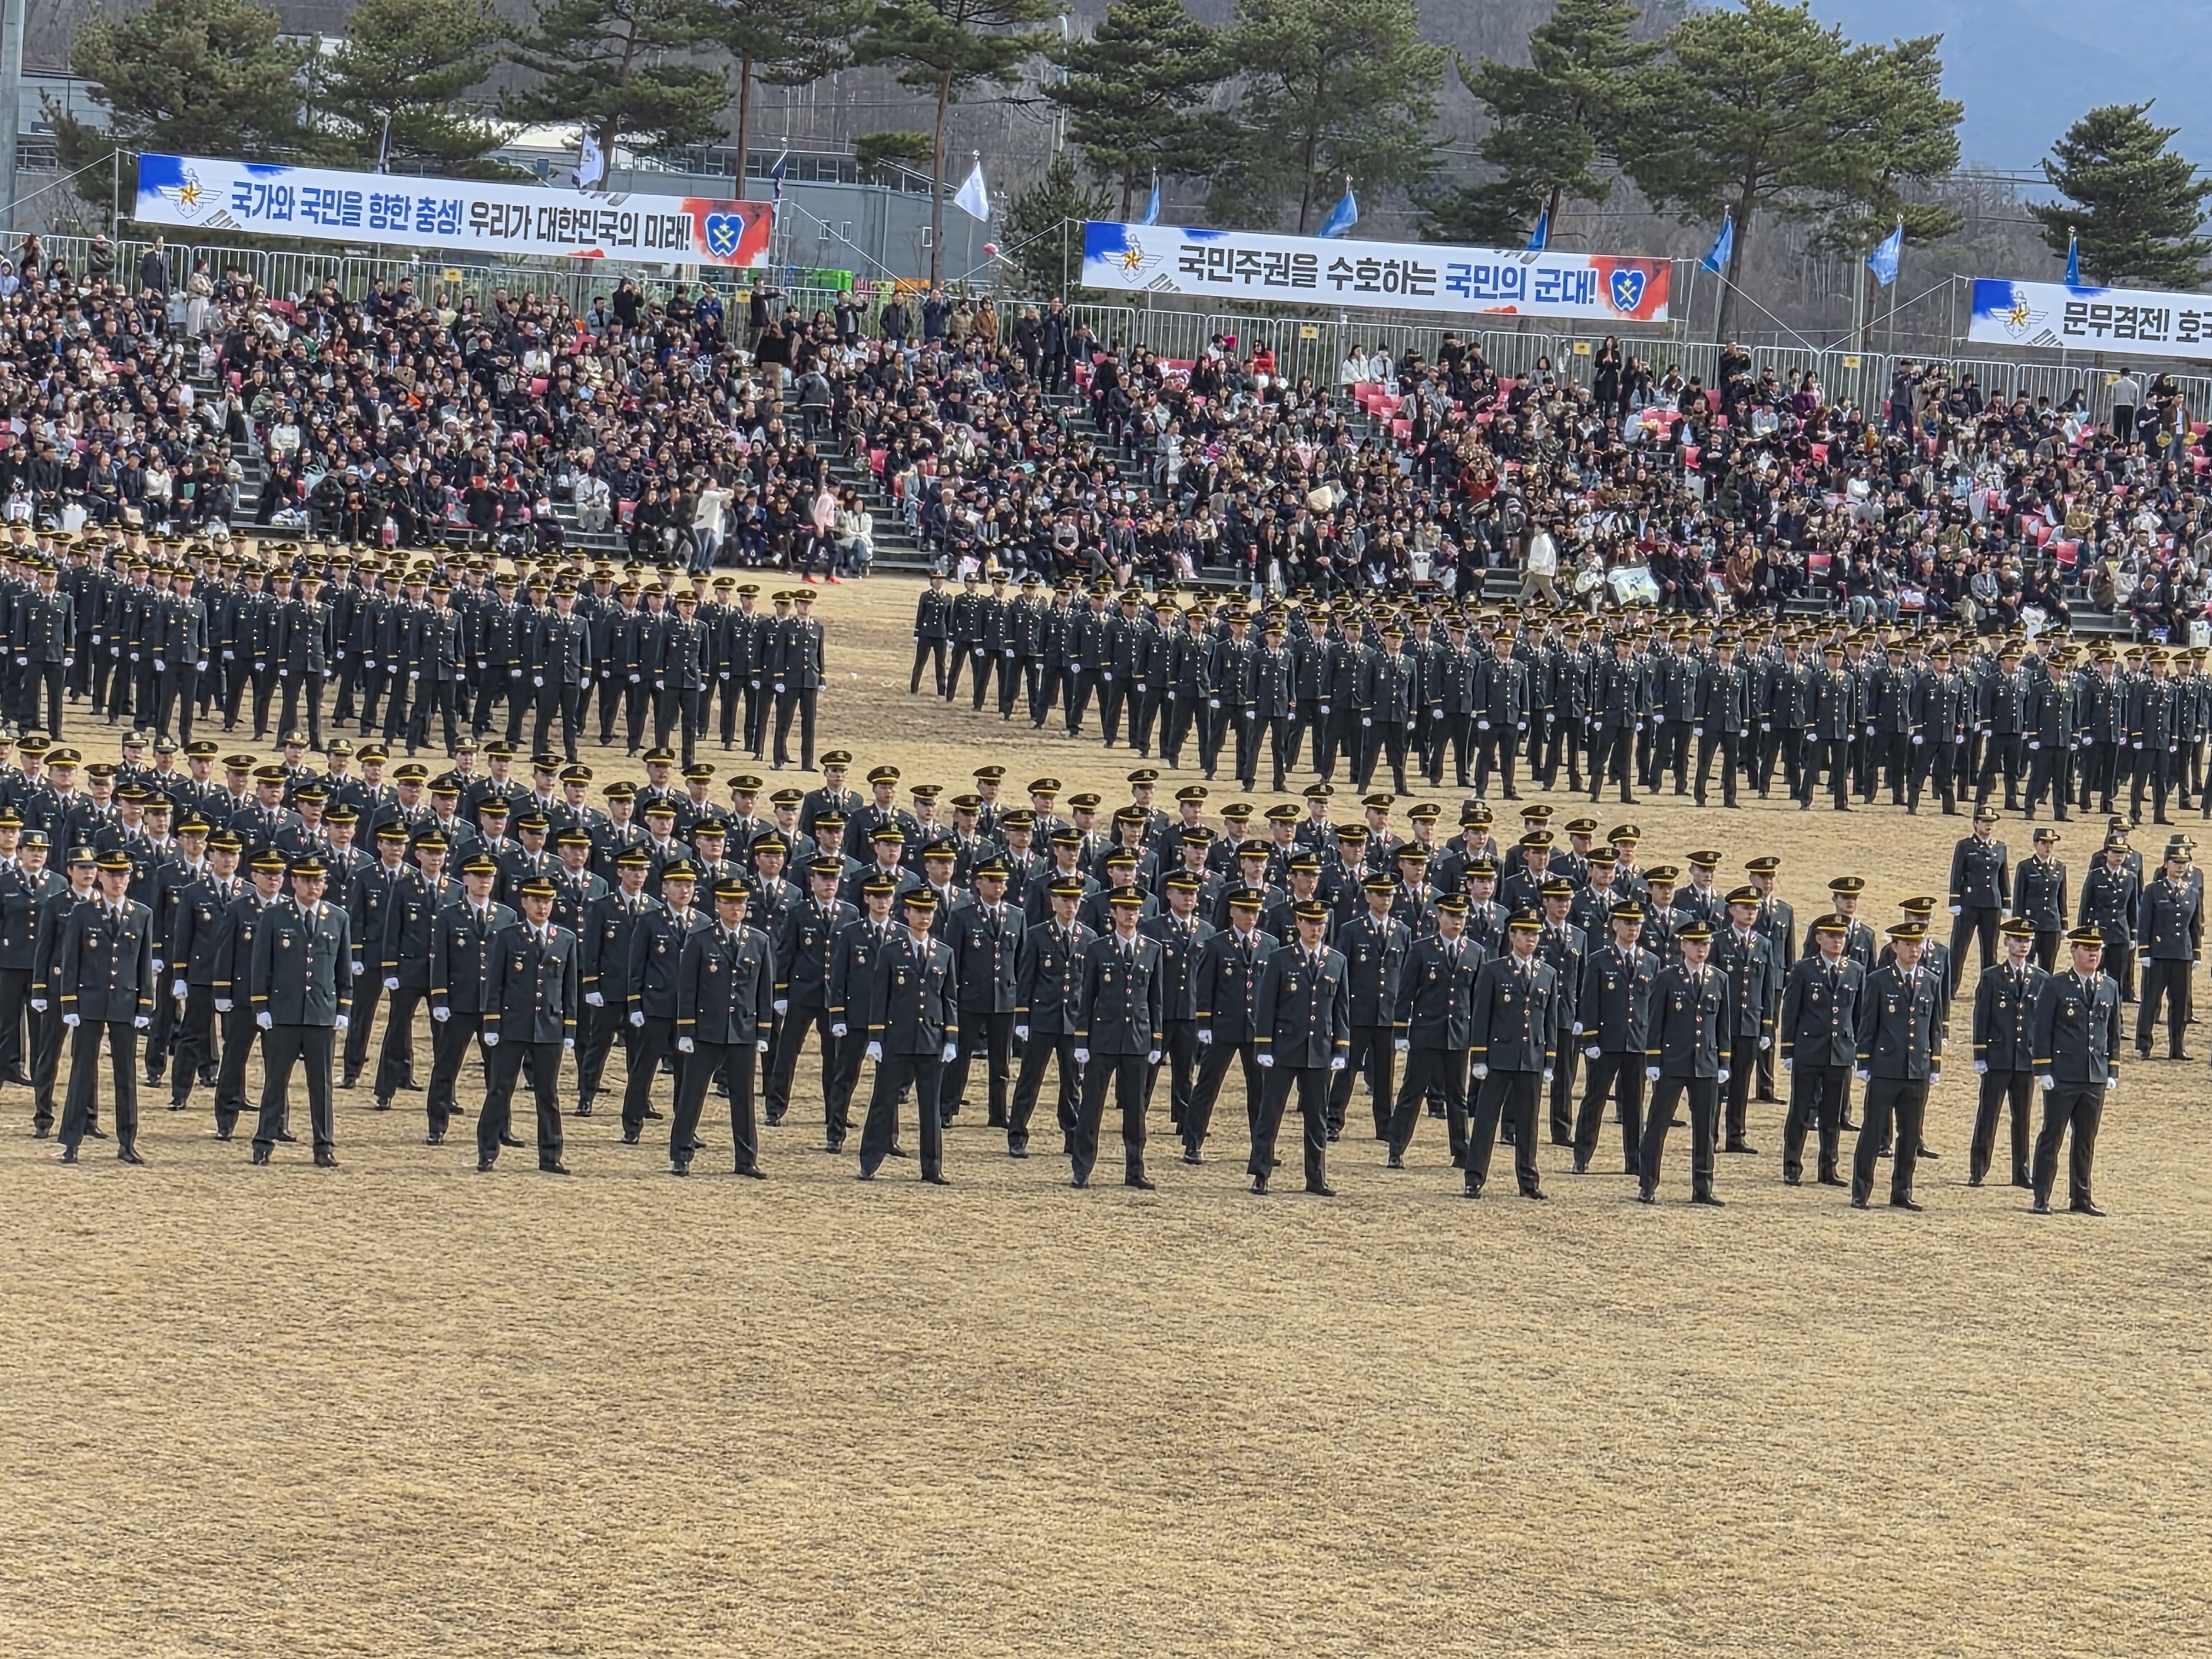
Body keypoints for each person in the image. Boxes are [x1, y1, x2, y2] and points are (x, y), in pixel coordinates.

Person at [247, 855, 352, 1167]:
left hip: (321, 1014)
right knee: (275, 1082)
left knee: (322, 1085)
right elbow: (261, 965)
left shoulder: (338, 918)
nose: (312, 886)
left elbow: (343, 968)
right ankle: (263, 1142)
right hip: (284, 1013)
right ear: (294, 882)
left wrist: (344, 1006)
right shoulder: (275, 916)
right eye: (306, 880)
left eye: (318, 880)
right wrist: (261, 1005)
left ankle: (324, 1145)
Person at [53, 851, 154, 1164]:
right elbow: (71, 961)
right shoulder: (83, 913)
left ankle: (127, 1142)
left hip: (125, 1002)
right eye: (111, 874)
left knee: (126, 1076)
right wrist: (69, 1002)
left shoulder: (142, 914)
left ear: (130, 878)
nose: (117, 881)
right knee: (82, 1072)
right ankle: (71, 1141)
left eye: (123, 875)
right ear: (100, 876)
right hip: (90, 1001)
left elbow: (144, 964)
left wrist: (145, 1006)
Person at [671, 880, 775, 1177]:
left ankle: (746, 1159)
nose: (736, 908)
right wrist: (686, 1030)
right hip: (707, 1030)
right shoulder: (700, 940)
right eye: (729, 902)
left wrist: (763, 1031)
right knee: (692, 1095)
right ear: (717, 905)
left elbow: (764, 990)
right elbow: (688, 988)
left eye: (740, 902)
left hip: (742, 1031)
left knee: (743, 1099)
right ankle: (681, 1155)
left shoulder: (758, 941)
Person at [478, 875, 580, 1174]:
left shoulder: (565, 939)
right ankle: (487, 1151)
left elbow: (569, 988)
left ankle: (551, 1155)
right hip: (513, 1025)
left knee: (548, 1094)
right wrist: (492, 1023)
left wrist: (570, 1027)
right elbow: (494, 984)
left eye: (547, 901)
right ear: (524, 902)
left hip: (549, 1027)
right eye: (536, 900)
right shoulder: (507, 937)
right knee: (500, 1089)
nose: (542, 906)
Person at [1247, 900, 1349, 1196]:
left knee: (1317, 1118)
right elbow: (1266, 1005)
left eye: (1321, 924)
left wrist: (1341, 1048)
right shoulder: (1280, 959)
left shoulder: (1337, 961)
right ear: (1299, 924)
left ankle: (1316, 1177)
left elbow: (1341, 1009)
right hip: (1284, 1047)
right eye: (1310, 923)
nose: (1315, 929)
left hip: (1318, 1050)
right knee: (1270, 1114)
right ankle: (1261, 1173)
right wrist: (1264, 1046)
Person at [858, 888, 956, 1185]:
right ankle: (870, 1160)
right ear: (907, 913)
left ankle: (932, 1167)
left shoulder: (944, 953)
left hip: (930, 1040)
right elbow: (880, 996)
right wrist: (876, 1036)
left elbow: (949, 999)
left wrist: (951, 1038)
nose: (924, 917)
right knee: (883, 1100)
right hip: (898, 1038)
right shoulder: (891, 952)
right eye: (918, 911)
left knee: (930, 1108)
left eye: (929, 911)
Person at [1071, 888, 1164, 1189]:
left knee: (1136, 1111)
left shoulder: (1152, 949)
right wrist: (1082, 1040)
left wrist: (1156, 1040)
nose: (1129, 914)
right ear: (1113, 913)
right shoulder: (1098, 949)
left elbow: (1155, 1000)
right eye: (1123, 909)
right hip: (1104, 1037)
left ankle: (1135, 1170)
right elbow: (1086, 998)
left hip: (1137, 1038)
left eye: (1134, 909)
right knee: (1091, 1106)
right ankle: (1082, 1168)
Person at [1848, 921, 1944, 1210]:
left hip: (1916, 1070)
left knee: (1910, 1135)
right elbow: (1868, 1023)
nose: (1914, 950)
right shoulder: (1879, 981)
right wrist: (1864, 1060)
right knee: (1873, 1131)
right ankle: (1861, 1191)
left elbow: (1934, 1026)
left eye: (1918, 944)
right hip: (1886, 1068)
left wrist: (1934, 1063)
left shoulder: (1931, 980)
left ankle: (1902, 1191)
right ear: (1895, 947)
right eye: (1908, 944)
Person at [1465, 910, 1559, 1201]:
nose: (1531, 939)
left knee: (1528, 1123)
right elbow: (1481, 1015)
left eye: (1535, 934)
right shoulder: (1493, 971)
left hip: (1531, 1057)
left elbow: (1550, 1021)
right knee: (1486, 1120)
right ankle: (1474, 1178)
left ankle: (1528, 1181)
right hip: (1500, 1056)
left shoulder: (1547, 973)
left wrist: (1550, 1060)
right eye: (1525, 933)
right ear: (1512, 935)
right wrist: (1479, 1057)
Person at [2029, 925, 2124, 1215]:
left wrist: (2112, 1069)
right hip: (2063, 1076)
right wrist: (2043, 1069)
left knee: (2085, 1141)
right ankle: (2042, 1197)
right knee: (2052, 1137)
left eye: (2097, 949)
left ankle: (2081, 1197)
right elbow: (2041, 1029)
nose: (2093, 954)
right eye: (2087, 949)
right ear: (2074, 951)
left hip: (2093, 1075)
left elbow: (2113, 1032)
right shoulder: (2056, 986)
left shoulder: (2109, 986)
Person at [1385, 891, 1483, 1168]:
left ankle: (1461, 1150)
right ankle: (1396, 1148)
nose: (1456, 922)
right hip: (1426, 1031)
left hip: (1458, 1033)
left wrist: (1477, 1037)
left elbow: (1477, 998)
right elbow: (1406, 992)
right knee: (1412, 1092)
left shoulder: (1475, 952)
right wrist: (1401, 1031)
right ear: (1439, 917)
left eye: (1460, 917)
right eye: (1451, 916)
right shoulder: (1422, 949)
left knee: (1457, 1096)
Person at [425, 853, 515, 1146]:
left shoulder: (506, 917)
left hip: (495, 1007)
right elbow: (440, 960)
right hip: (460, 1003)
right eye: (478, 876)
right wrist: (440, 999)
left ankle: (501, 1127)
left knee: (499, 1072)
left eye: (488, 877)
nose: (483, 882)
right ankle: (437, 1125)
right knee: (446, 1067)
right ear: (465, 879)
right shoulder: (449, 915)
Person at [1637, 920, 1727, 1206]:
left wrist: (1724, 1061)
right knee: (1657, 1126)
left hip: (1706, 1064)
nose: (1701, 949)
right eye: (1696, 944)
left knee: (1706, 1130)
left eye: (1706, 944)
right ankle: (1648, 1184)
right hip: (1673, 1062)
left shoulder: (1718, 978)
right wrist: (1653, 1059)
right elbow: (1655, 1021)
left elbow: (1723, 1025)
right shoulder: (1667, 978)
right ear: (1683, 945)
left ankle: (1703, 1187)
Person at [1778, 912, 1863, 1187]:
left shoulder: (1855, 971)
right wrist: (1788, 1050)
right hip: (1809, 1050)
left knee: (1832, 1115)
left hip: (1840, 1052)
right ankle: (1792, 1166)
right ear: (1819, 939)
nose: (1838, 941)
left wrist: (1859, 1051)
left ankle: (1829, 1168)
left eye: (1841, 936)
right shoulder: (1804, 970)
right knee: (1801, 1112)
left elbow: (1859, 1015)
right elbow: (1791, 1012)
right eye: (1832, 936)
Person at [1571, 904, 1656, 1177]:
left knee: (1634, 1105)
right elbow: (1589, 1001)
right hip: (1606, 1042)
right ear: (1615, 925)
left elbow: (1653, 1007)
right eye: (1627, 923)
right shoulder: (1599, 960)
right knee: (1595, 1100)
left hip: (1637, 1042)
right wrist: (1590, 1039)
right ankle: (1582, 1156)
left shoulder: (1650, 961)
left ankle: (1635, 1160)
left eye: (1637, 924)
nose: (1632, 929)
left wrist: (1654, 1045)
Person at [1969, 918, 2044, 1190]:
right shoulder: (1992, 976)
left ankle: (2021, 1171)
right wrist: (1980, 1054)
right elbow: (1982, 1016)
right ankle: (1978, 1169)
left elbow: (2042, 1023)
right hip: (1998, 1056)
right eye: (2017, 940)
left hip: (2025, 1058)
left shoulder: (2041, 979)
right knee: (1988, 1115)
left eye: (2027, 941)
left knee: (2022, 1118)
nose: (2022, 946)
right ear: (2006, 942)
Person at [2133, 844, 2199, 1060]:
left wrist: (2196, 952)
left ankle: (2177, 1047)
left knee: (2180, 1003)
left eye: (2184, 863)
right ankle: (2144, 1044)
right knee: (2151, 1001)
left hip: (2182, 955)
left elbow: (2195, 926)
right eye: (2176, 863)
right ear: (2166, 864)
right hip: (2159, 954)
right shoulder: (2154, 890)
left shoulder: (2191, 891)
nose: (2180, 867)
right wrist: (2144, 950)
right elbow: (2145, 923)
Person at [1947, 806, 2010, 991]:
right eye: (1985, 822)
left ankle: (1988, 988)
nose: (1989, 825)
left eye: (1991, 822)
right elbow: (1957, 874)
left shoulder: (2000, 847)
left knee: (1990, 949)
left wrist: (2006, 901)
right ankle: (1951, 986)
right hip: (1970, 902)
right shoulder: (1965, 846)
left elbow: (2003, 876)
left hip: (1992, 904)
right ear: (1976, 823)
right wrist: (1955, 900)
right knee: (1959, 947)